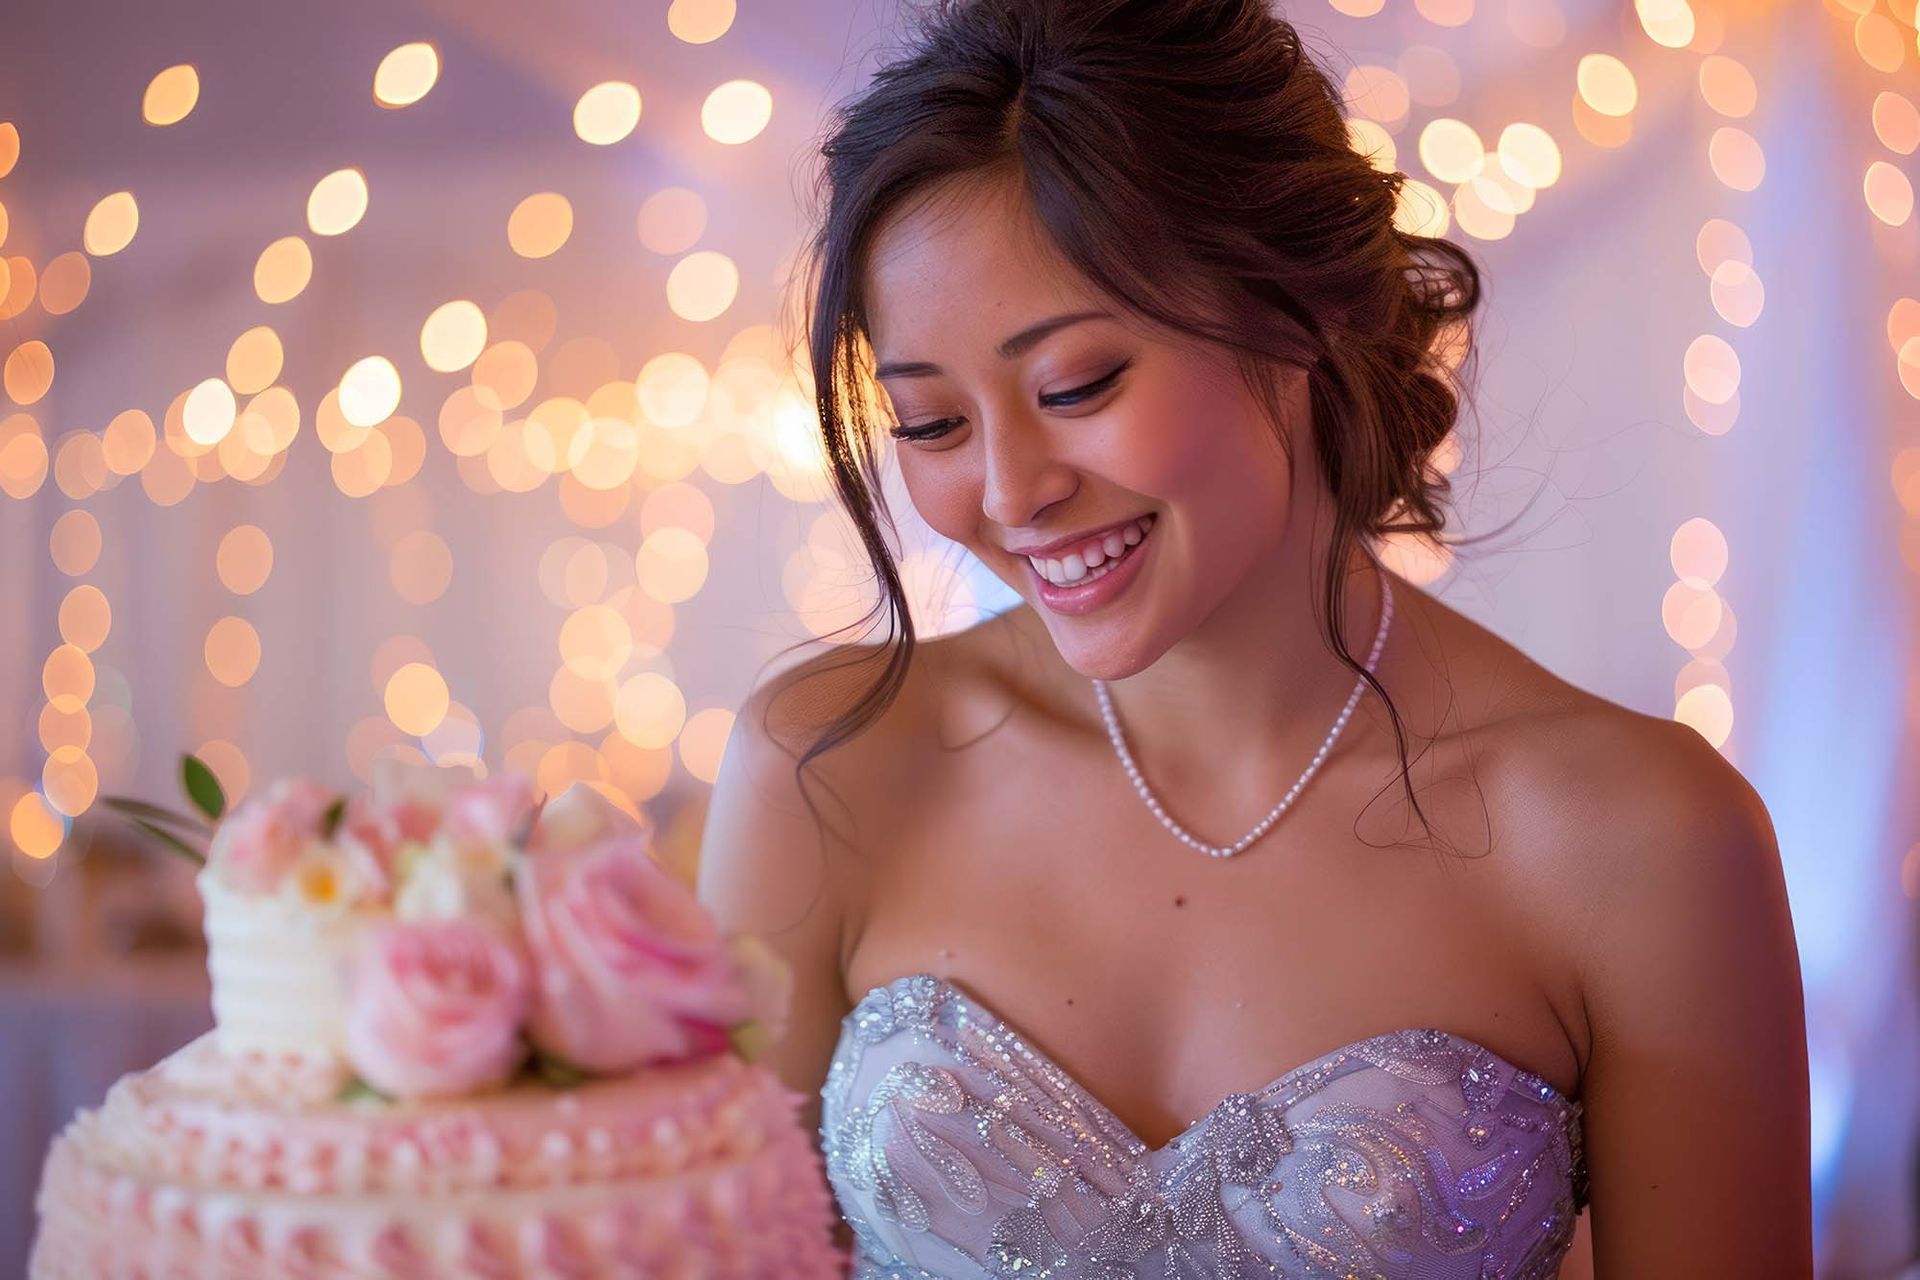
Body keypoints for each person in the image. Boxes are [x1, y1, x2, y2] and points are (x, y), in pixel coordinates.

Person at [697, 0, 1813, 1274]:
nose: (1010, 494)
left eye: (1075, 387)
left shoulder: (1642, 837)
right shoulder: (828, 765)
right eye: (934, 425)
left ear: (1293, 319)